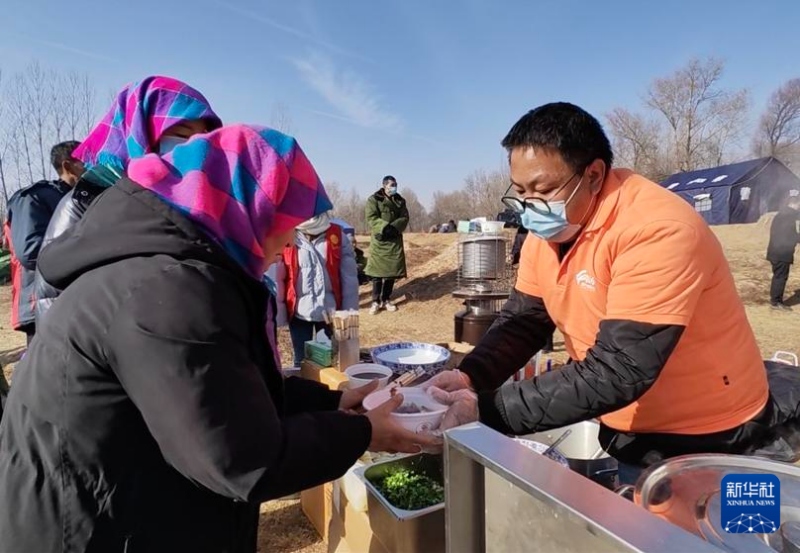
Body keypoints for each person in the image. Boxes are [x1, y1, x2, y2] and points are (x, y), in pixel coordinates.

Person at [0, 124, 437, 553]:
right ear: (246, 208)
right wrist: (361, 433)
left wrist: (333, 400)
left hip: (121, 503)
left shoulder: (171, 266)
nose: (287, 238)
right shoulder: (167, 288)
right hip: (91, 526)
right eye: (283, 221)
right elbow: (241, 456)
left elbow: (219, 387)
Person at [425, 102, 773, 485]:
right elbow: (523, 322)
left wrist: (487, 410)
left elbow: (620, 368)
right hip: (626, 420)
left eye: (543, 190)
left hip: (711, 432)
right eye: (521, 192)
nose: (529, 207)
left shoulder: (658, 228)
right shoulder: (550, 231)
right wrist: (470, 376)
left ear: (593, 174)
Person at [34, 76, 222, 327]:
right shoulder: (86, 202)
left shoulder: (199, 207)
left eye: (204, 139)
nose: (193, 149)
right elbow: (54, 302)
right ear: (139, 134)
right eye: (181, 135)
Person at [3, 141, 84, 344]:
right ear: (68, 165)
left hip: (72, 299)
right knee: (47, 371)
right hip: (41, 303)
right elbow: (30, 252)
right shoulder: (34, 197)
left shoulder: (79, 198)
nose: (90, 167)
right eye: (85, 161)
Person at [279, 211, 360, 366]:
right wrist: (279, 315)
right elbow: (280, 277)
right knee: (301, 360)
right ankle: (302, 389)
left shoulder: (336, 234)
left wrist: (348, 313)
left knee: (326, 361)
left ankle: (325, 388)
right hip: (299, 313)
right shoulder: (288, 233)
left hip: (328, 311)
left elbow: (349, 279)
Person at [365, 175, 409, 314]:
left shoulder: (400, 201)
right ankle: (375, 301)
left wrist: (394, 228)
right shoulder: (374, 199)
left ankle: (386, 298)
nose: (394, 187)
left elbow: (404, 217)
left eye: (395, 184)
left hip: (394, 239)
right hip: (380, 239)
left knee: (392, 271)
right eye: (391, 185)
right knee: (377, 273)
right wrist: (383, 227)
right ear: (384, 186)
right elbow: (371, 217)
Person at [766, 194, 800, 310]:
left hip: (775, 252)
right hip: (782, 253)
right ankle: (776, 302)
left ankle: (775, 300)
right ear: (794, 204)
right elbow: (789, 236)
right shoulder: (788, 216)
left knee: (778, 276)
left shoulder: (780, 215)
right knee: (780, 277)